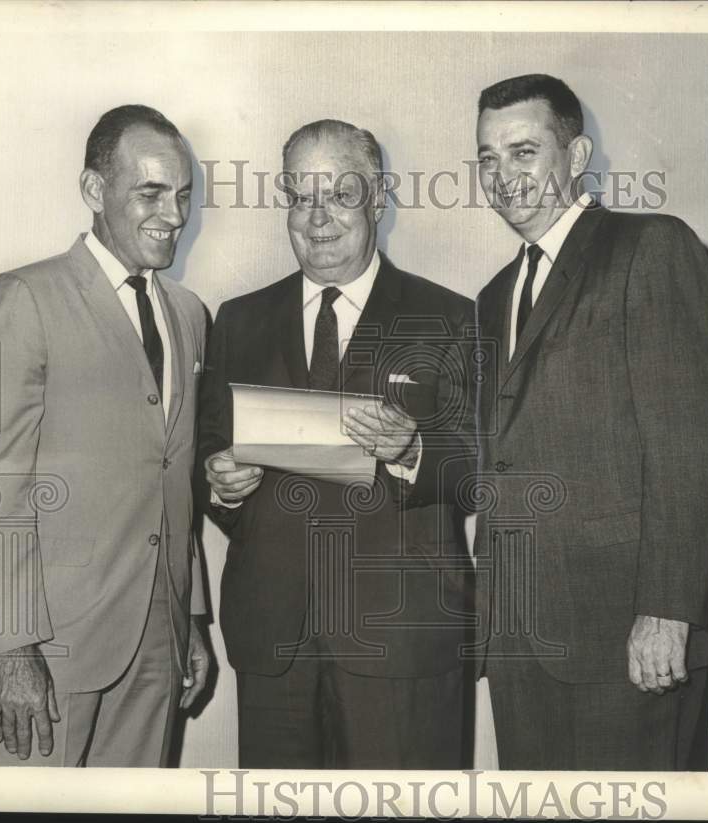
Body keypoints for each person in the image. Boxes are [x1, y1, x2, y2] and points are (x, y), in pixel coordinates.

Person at [196, 119, 476, 769]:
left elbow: (486, 467)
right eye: (300, 196)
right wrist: (218, 481)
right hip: (274, 642)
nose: (317, 217)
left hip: (401, 641)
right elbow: (206, 447)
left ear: (378, 199)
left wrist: (413, 451)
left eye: (341, 195)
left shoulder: (451, 317)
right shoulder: (239, 319)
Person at [471, 74, 708, 770]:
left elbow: (688, 442)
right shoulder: (494, 295)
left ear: (576, 156)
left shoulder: (651, 246)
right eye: (487, 157)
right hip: (518, 638)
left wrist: (667, 610)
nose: (503, 174)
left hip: (627, 636)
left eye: (523, 151)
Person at [0, 104, 210, 766]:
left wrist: (189, 616)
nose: (174, 215)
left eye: (183, 194)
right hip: (52, 649)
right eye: (151, 193)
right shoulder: (23, 298)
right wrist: (12, 645)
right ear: (94, 190)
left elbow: (175, 475)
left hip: (159, 642)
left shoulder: (190, 314)